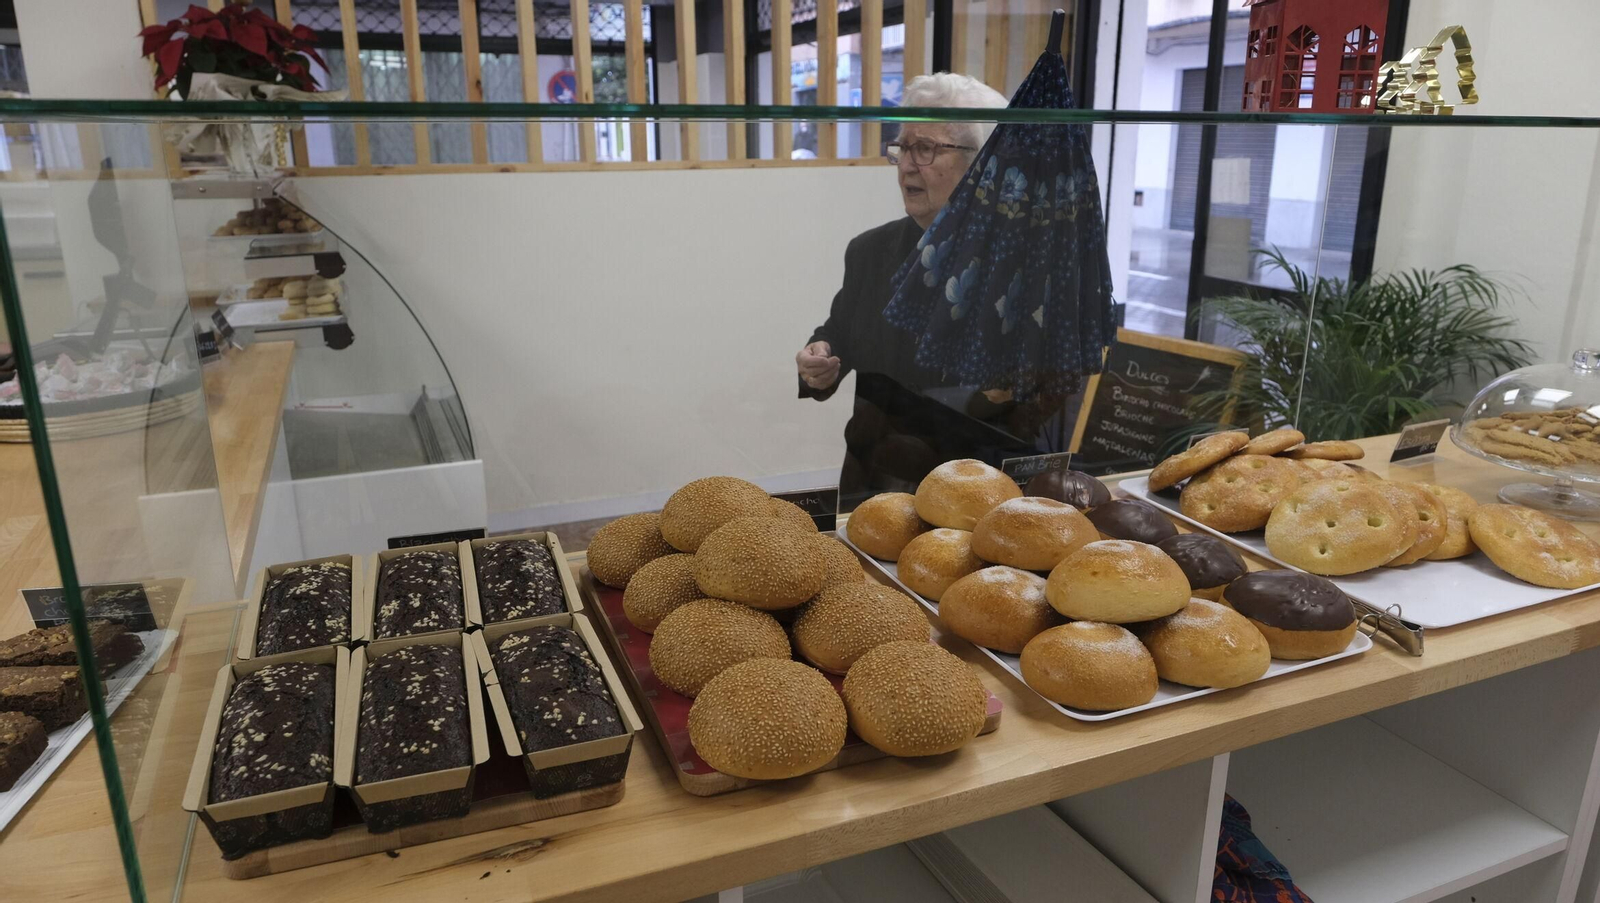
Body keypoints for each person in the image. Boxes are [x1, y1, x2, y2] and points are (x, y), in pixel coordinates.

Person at [796, 73, 1059, 509]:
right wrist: (820, 355)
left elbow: (1056, 381)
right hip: (876, 480)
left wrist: (1025, 384)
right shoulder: (870, 250)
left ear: (982, 164)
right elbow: (841, 331)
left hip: (982, 488)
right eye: (902, 148)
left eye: (925, 149)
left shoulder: (1028, 261)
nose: (905, 165)